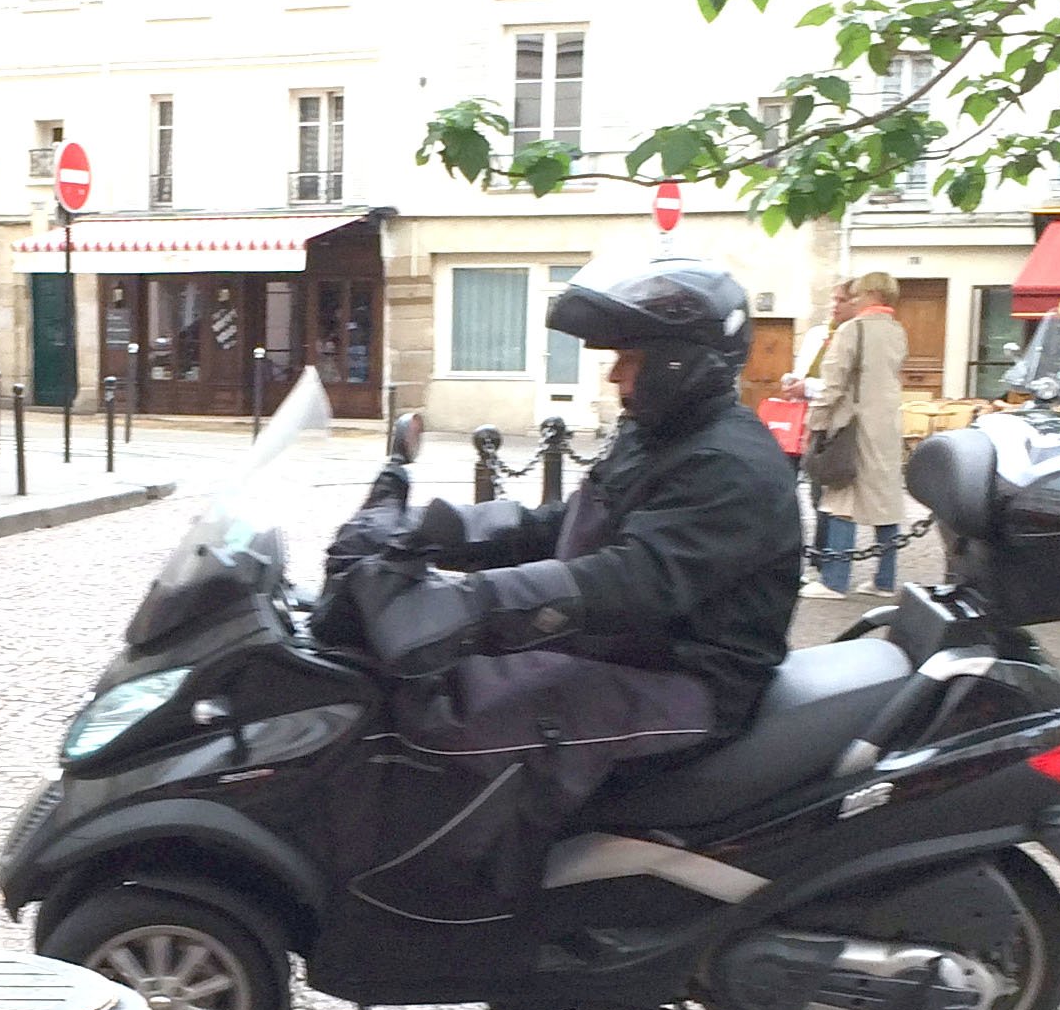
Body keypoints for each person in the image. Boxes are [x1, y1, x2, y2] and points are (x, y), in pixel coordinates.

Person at [329, 259, 802, 921]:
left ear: (679, 363)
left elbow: (631, 579)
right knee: (435, 676)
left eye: (630, 358)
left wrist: (473, 603)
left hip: (690, 680)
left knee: (471, 711)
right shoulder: (660, 437)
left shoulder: (729, 464)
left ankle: (489, 919)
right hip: (625, 651)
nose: (614, 375)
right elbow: (568, 526)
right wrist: (444, 530)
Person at [803, 268, 909, 601]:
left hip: (853, 426)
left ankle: (834, 581)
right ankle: (884, 580)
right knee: (885, 502)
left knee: (841, 500)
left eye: (859, 294)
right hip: (887, 426)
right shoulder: (897, 331)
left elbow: (832, 385)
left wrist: (815, 421)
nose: (854, 300)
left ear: (872, 294)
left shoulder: (853, 330)